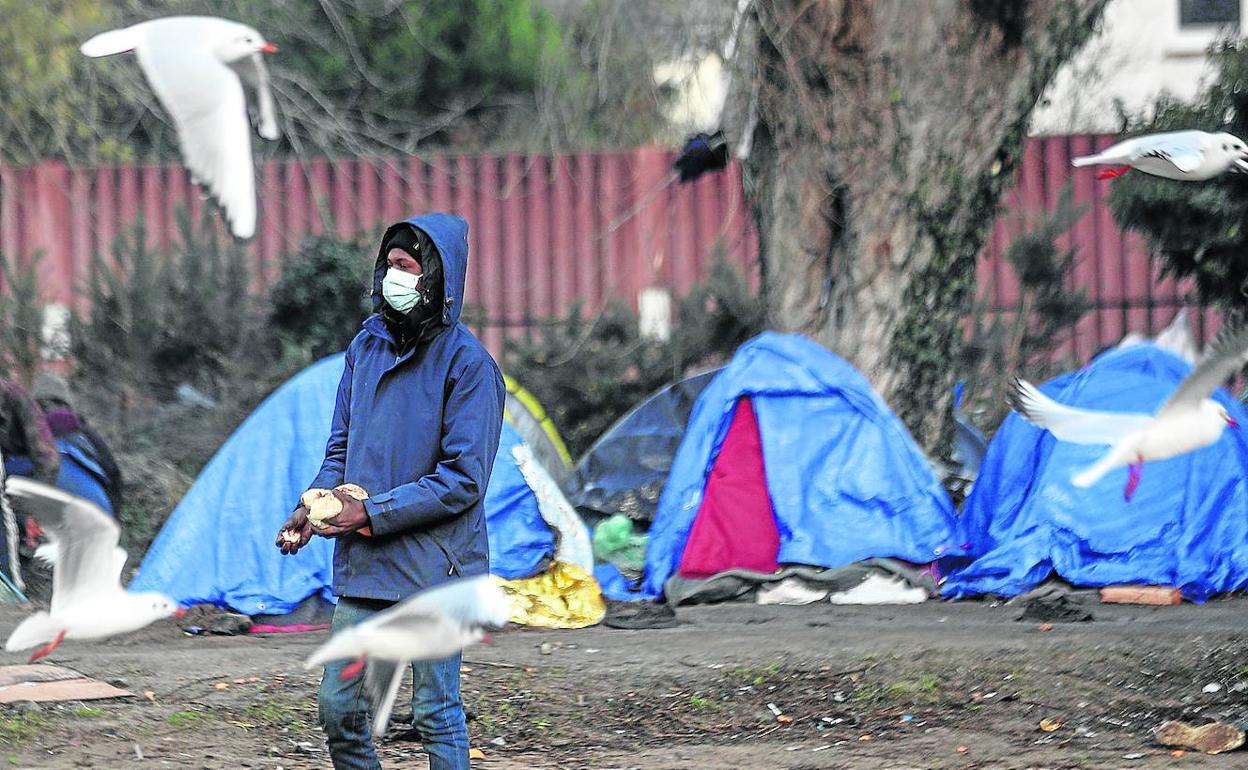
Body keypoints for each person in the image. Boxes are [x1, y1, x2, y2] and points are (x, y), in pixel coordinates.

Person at [276, 213, 504, 770]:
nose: (393, 277)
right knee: (341, 711)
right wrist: (313, 504)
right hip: (369, 565)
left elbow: (463, 480)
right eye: (390, 266)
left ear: (437, 280)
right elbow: (340, 449)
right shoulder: (365, 349)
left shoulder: (470, 366)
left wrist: (369, 513)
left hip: (439, 567)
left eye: (407, 267)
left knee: (434, 711)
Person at [31, 372, 124, 515]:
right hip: (96, 507)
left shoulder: (28, 430)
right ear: (67, 403)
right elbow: (114, 476)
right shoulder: (87, 433)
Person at [0, 374, 60, 590]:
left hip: (33, 474)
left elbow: (48, 460)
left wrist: (32, 509)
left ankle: (11, 588)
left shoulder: (19, 400)